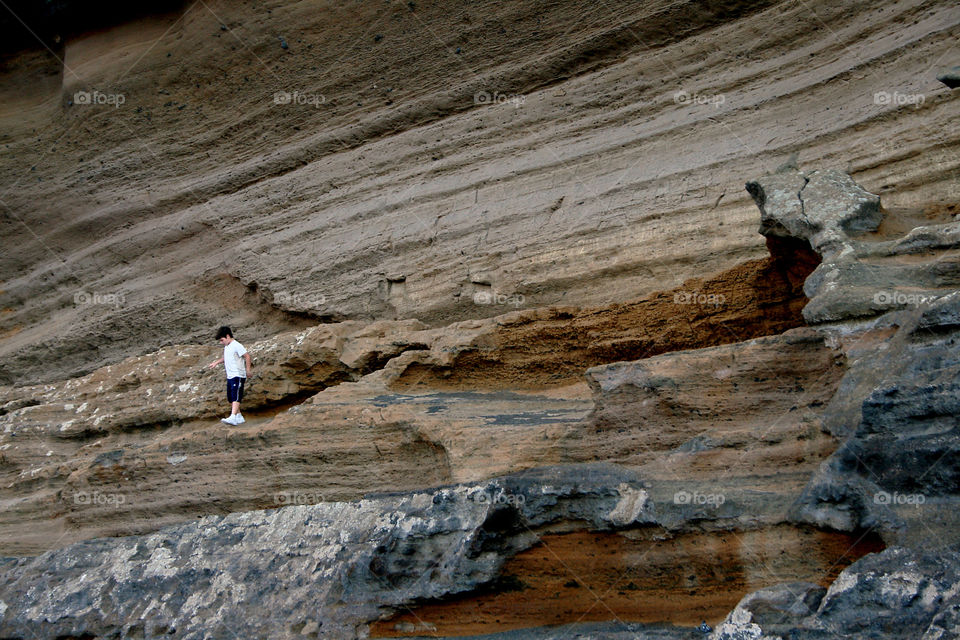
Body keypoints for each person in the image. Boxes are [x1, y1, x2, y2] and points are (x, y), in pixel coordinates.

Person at [207, 326, 251, 425]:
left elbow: (247, 356)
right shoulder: (227, 347)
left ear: (227, 336)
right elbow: (226, 358)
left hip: (238, 374)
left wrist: (248, 370)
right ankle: (239, 416)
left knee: (236, 396)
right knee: (230, 397)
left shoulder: (237, 345)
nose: (221, 342)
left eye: (222, 340)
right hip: (230, 375)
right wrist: (216, 362)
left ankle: (233, 416)